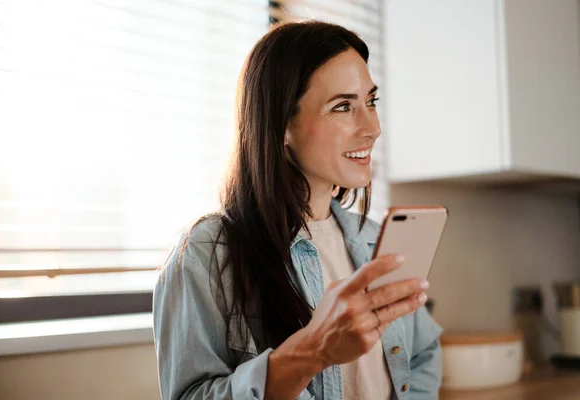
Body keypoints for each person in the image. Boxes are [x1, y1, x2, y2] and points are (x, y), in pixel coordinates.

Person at [153, 21, 442, 400]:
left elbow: (422, 354)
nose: (372, 127)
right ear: (281, 125)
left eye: (371, 101)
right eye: (343, 107)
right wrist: (314, 351)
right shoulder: (207, 254)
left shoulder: (374, 241)